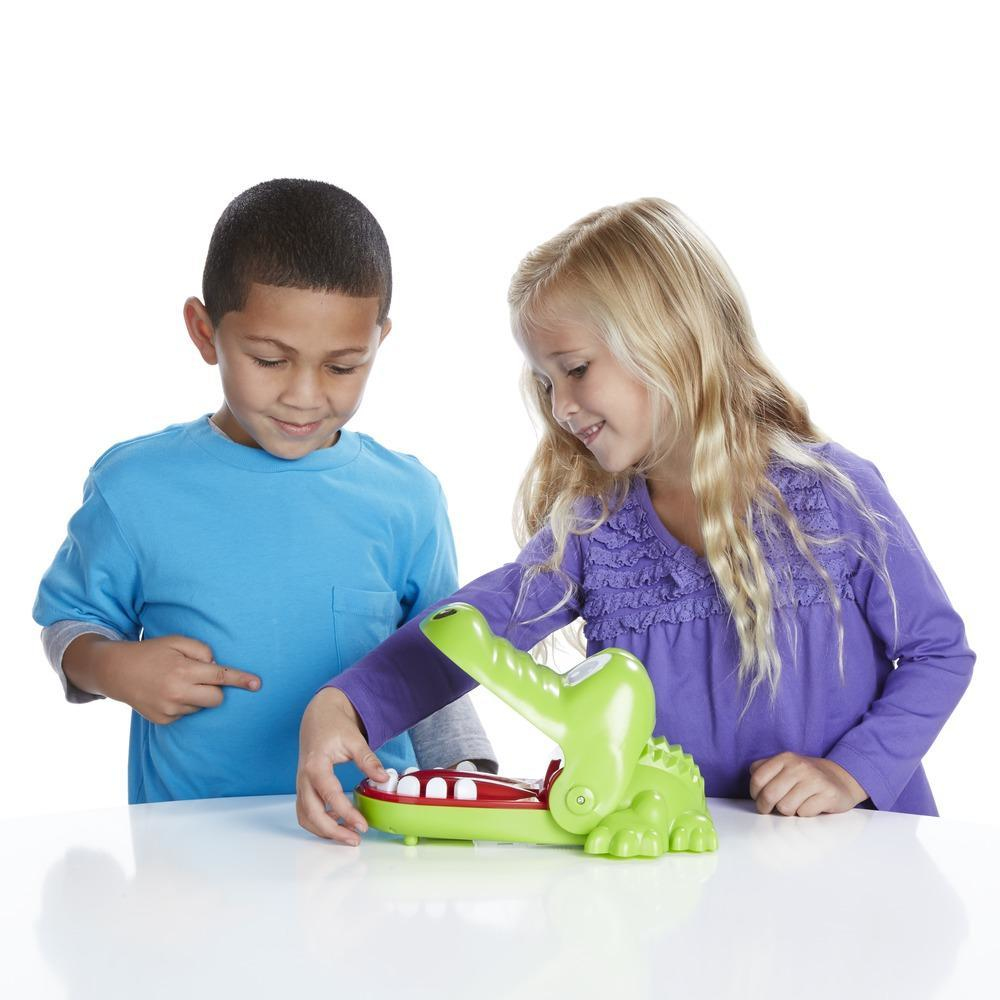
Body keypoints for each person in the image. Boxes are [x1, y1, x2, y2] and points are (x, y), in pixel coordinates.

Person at [295, 197, 974, 843]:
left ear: (669, 338)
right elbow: (478, 627)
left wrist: (849, 773)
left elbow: (936, 653)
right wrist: (347, 704)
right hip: (685, 867)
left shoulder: (833, 494)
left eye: (575, 369)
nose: (559, 405)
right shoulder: (594, 530)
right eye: (546, 382)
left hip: (852, 861)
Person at [33, 179, 494, 816]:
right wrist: (115, 668)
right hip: (189, 845)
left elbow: (435, 658)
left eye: (341, 366)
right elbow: (69, 623)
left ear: (378, 342)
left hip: (368, 838)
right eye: (271, 360)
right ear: (204, 333)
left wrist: (467, 776)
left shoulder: (408, 498)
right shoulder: (135, 485)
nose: (304, 396)